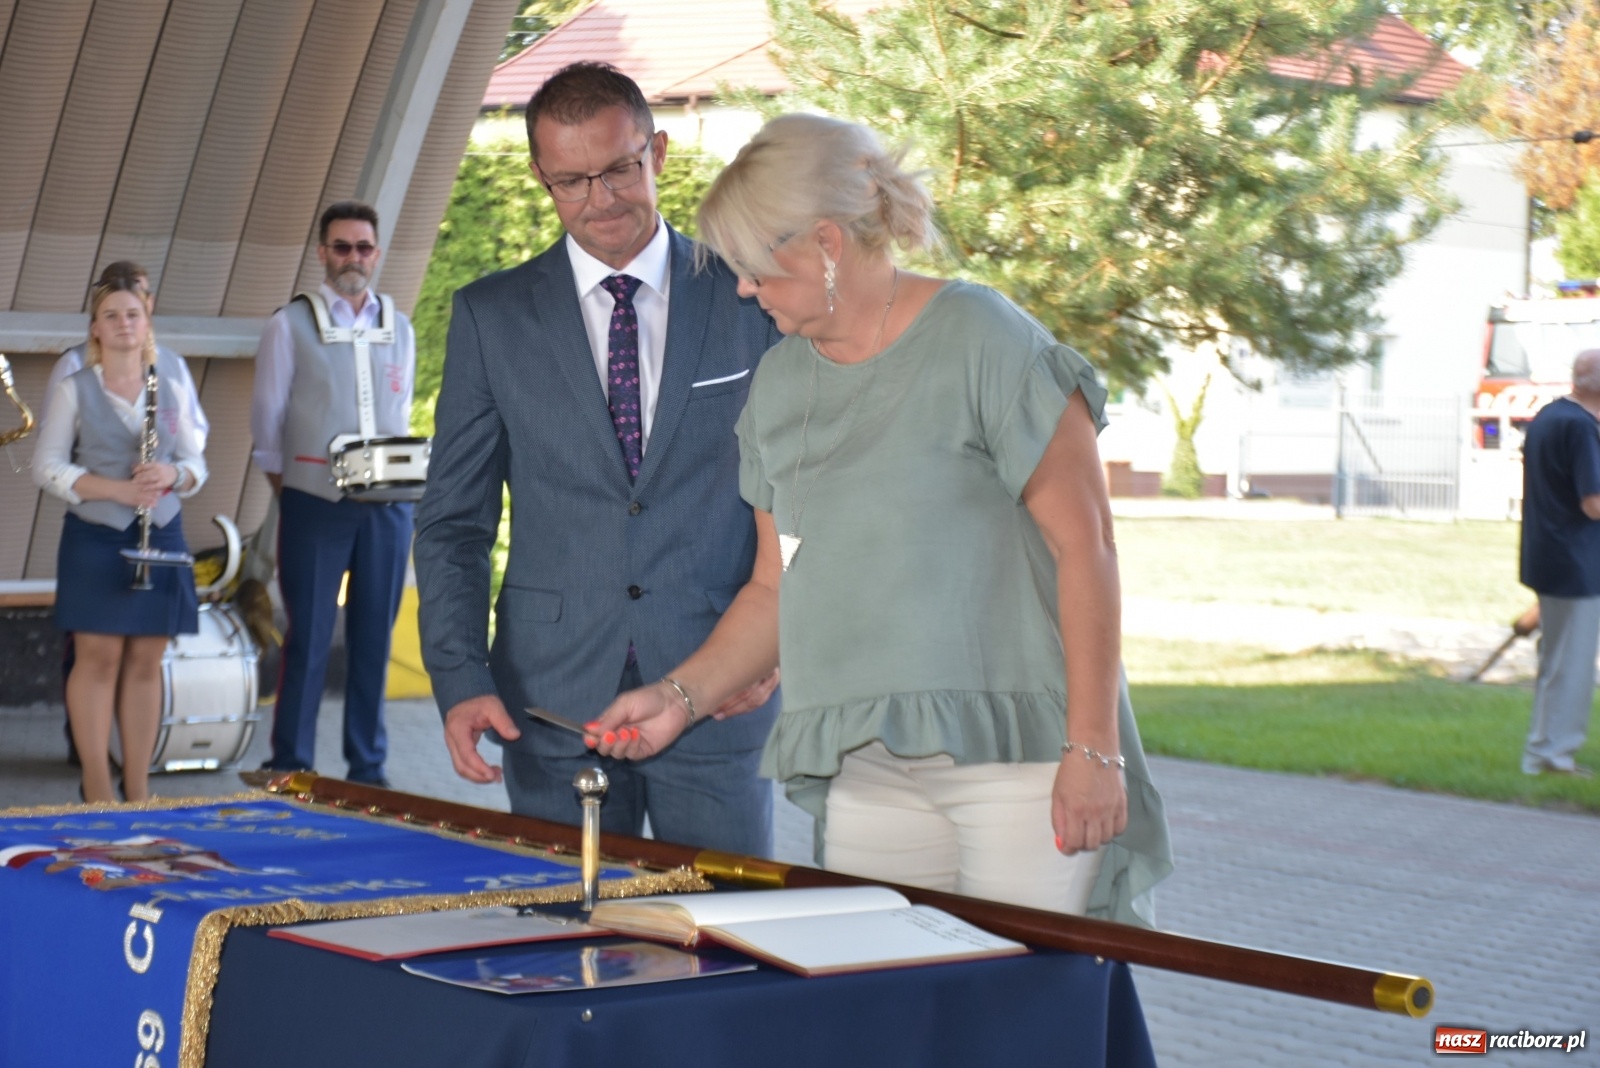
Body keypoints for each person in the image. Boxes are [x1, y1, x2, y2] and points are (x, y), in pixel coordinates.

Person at [588, 114, 1172, 923]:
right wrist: (678, 698)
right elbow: (776, 583)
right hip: (865, 769)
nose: (747, 291)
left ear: (827, 244)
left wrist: (1094, 748)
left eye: (758, 269)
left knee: (1014, 1021)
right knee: (891, 1017)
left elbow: (1088, 550)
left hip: (1019, 764)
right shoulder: (780, 386)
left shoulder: (983, 339)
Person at [414, 62, 782, 855]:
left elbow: (808, 492)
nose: (600, 199)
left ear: (659, 154)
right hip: (550, 703)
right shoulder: (491, 316)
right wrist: (460, 678)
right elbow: (453, 522)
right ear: (543, 180)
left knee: (725, 940)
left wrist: (774, 644)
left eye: (619, 169)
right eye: (571, 181)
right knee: (565, 949)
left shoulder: (751, 296)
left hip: (721, 687)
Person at [250, 200, 415, 786]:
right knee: (311, 633)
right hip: (314, 501)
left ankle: (367, 767)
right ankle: (291, 760)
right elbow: (267, 423)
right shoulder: (288, 323)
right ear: (322, 253)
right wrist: (292, 487)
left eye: (363, 247)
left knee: (375, 637)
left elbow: (398, 409)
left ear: (376, 253)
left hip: (388, 507)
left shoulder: (399, 324)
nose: (353, 258)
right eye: (341, 247)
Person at [32, 275, 208, 803]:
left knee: (146, 660)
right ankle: (97, 785)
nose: (124, 324)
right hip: (97, 535)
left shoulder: (171, 381)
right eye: (112, 316)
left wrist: (171, 477)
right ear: (95, 328)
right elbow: (47, 467)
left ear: (147, 320)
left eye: (133, 314)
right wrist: (116, 489)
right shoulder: (75, 386)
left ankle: (139, 790)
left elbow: (197, 461)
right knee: (99, 658)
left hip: (163, 531)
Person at [1518, 348, 1600, 778]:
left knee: (1557, 662)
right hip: (1577, 563)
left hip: (1550, 555)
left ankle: (1542, 751)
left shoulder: (1551, 416)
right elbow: (1593, 504)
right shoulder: (1582, 428)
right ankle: (1552, 756)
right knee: (1571, 666)